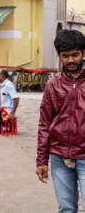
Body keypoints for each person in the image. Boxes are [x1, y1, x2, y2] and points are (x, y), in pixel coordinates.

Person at [36, 29, 85, 213]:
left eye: (75, 55)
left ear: (83, 53)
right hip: (59, 157)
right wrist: (41, 160)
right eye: (65, 56)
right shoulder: (53, 84)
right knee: (66, 208)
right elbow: (44, 124)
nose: (71, 60)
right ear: (59, 56)